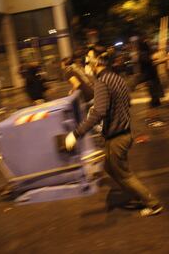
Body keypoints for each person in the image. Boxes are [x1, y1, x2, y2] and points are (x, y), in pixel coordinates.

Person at [64, 52, 163, 217]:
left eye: (88, 61)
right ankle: (139, 196)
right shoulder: (116, 78)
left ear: (97, 62)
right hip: (123, 132)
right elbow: (124, 102)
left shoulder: (102, 82)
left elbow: (99, 112)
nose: (86, 65)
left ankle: (153, 203)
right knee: (109, 167)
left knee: (124, 175)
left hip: (117, 137)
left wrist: (76, 133)